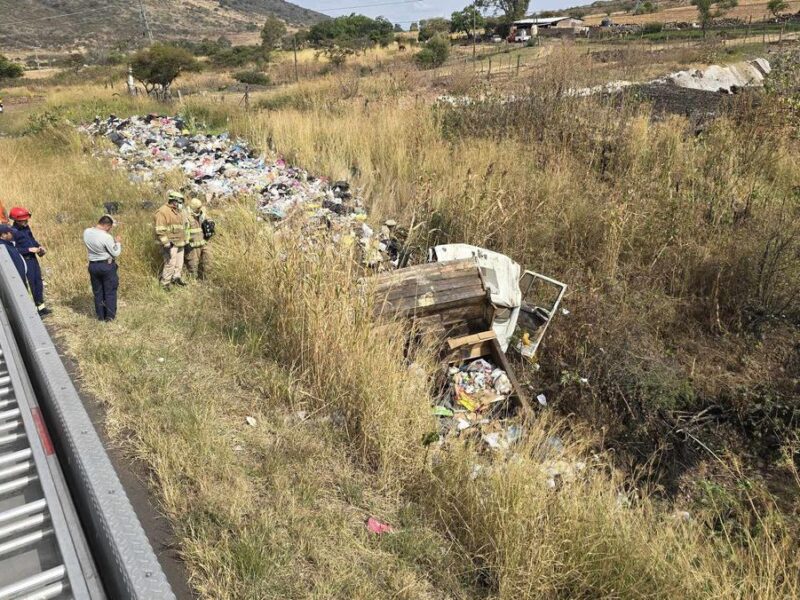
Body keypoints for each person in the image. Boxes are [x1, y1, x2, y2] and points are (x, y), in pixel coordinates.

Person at [9, 206, 49, 316]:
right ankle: (32, 311)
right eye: (24, 220)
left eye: (27, 219)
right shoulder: (13, 232)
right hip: (24, 262)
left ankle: (41, 307)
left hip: (33, 259)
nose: (26, 221)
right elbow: (13, 250)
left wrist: (39, 247)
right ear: (17, 220)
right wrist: (29, 249)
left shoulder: (26, 228)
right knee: (30, 285)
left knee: (38, 283)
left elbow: (32, 240)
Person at [83, 215, 122, 321]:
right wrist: (118, 242)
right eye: (110, 228)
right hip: (106, 266)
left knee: (98, 292)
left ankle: (100, 316)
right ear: (106, 225)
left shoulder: (86, 232)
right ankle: (110, 317)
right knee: (110, 291)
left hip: (93, 265)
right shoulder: (106, 237)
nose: (110, 230)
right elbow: (115, 252)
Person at [154, 191, 188, 289]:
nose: (181, 204)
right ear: (173, 201)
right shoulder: (162, 211)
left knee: (179, 263)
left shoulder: (179, 211)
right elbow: (160, 230)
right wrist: (166, 244)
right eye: (179, 202)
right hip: (170, 243)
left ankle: (176, 278)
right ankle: (165, 283)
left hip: (180, 242)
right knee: (170, 263)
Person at [184, 198, 213, 279]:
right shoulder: (186, 216)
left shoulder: (202, 214)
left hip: (204, 242)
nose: (199, 209)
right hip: (192, 245)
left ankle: (205, 279)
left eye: (200, 208)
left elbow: (209, 221)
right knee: (192, 264)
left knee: (208, 261)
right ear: (193, 208)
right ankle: (192, 281)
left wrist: (210, 223)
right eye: (198, 208)